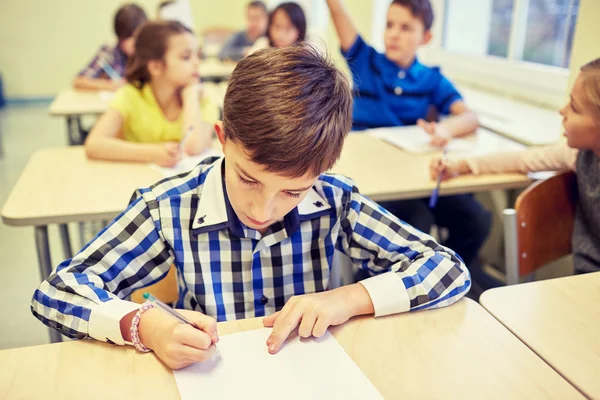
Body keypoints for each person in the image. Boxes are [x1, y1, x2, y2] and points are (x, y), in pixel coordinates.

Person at [32, 44, 470, 370]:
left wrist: (346, 299)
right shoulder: (169, 206)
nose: (262, 209)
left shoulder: (335, 197)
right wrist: (142, 323)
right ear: (223, 139)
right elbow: (56, 292)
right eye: (247, 179)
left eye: (293, 192)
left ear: (322, 171)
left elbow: (448, 269)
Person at [430, 58, 600, 276]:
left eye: (575, 108)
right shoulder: (577, 154)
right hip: (583, 280)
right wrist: (461, 165)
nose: (562, 110)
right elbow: (523, 159)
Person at [84, 21, 213, 167]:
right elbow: (94, 144)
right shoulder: (130, 95)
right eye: (186, 57)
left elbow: (193, 148)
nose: (197, 62)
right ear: (156, 67)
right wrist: (152, 153)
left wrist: (190, 96)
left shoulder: (200, 98)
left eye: (198, 55)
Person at [74, 4, 148, 91]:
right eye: (125, 37)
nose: (130, 43)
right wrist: (109, 85)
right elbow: (78, 81)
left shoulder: (150, 52)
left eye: (135, 37)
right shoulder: (110, 50)